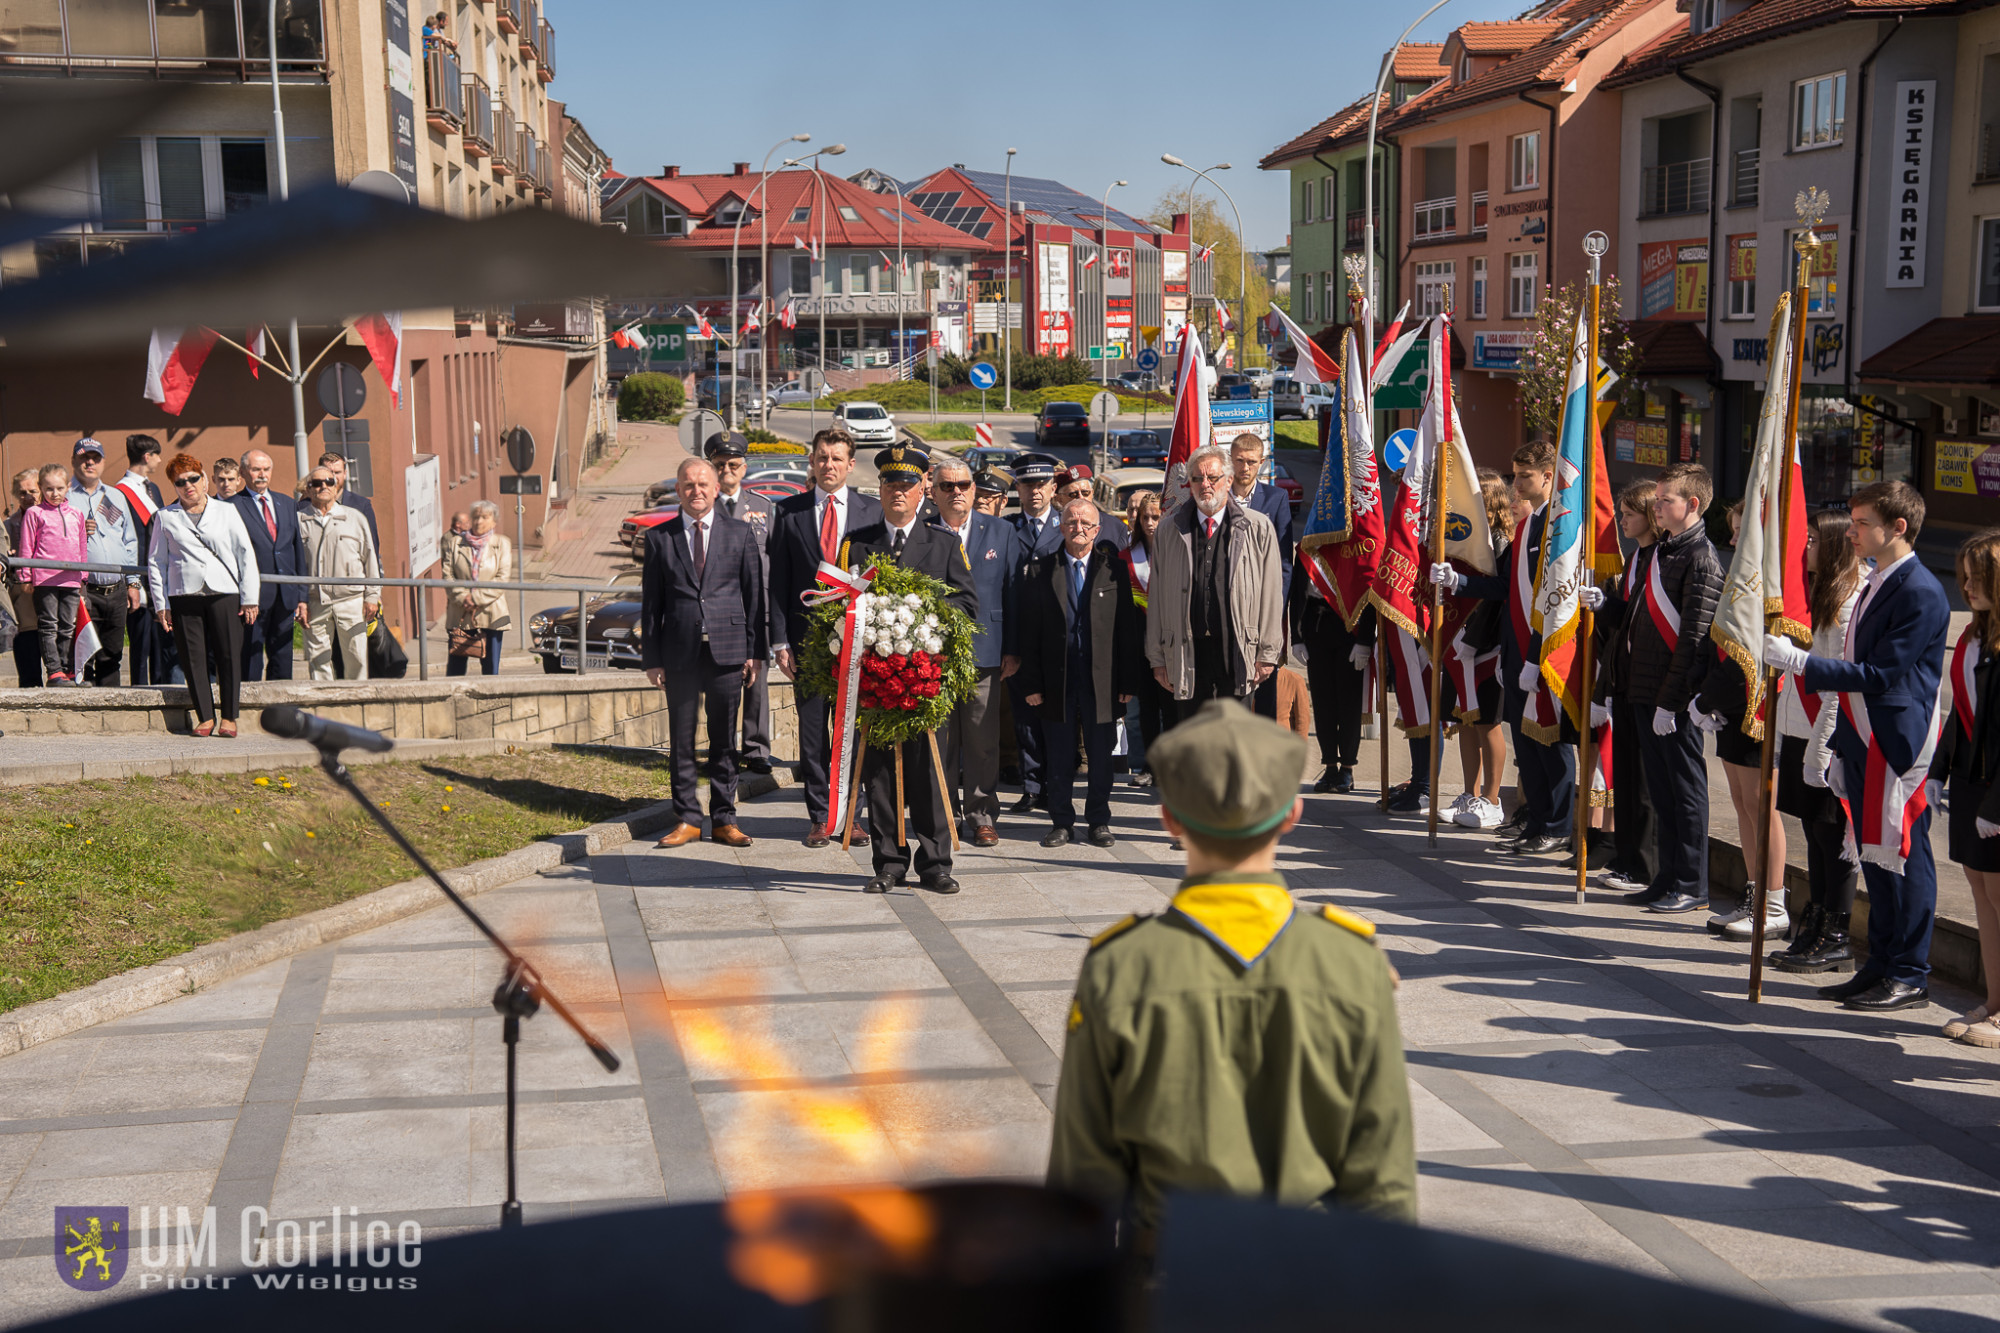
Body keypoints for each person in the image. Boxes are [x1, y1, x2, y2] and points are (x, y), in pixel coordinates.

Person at [1048, 699, 1416, 1241]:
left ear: (1169, 818)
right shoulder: (1352, 964)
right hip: (1314, 1283)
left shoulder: (1121, 967)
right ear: (1293, 814)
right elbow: (1382, 1183)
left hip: (1169, 1285)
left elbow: (1084, 1183)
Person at [1766, 481, 1949, 1012]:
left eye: (1862, 522)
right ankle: (1882, 964)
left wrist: (1800, 662)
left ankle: (1911, 973)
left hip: (1897, 746)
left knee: (1905, 862)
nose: (1851, 531)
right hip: (1862, 739)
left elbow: (1880, 672)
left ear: (1898, 527)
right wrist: (1842, 745)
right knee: (1875, 860)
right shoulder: (1874, 580)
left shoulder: (1919, 590)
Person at [841, 444, 978, 895]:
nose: (897, 491)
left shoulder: (942, 543)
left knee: (930, 771)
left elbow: (966, 604)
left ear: (924, 491)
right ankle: (889, 861)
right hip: (876, 684)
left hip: (924, 679)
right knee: (879, 774)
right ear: (878, 490)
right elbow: (837, 607)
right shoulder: (857, 544)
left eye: (906, 484)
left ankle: (936, 862)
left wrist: (921, 625)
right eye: (889, 484)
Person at [1584, 464, 1722, 908]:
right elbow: (1634, 621)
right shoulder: (1664, 552)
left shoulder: (1701, 557)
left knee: (1684, 793)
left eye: (1665, 500)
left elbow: (1694, 639)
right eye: (1658, 499)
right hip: (1641, 688)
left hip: (1672, 698)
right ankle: (1666, 877)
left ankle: (1692, 884)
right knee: (1661, 791)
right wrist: (1606, 605)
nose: (1657, 507)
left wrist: (1671, 701)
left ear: (1693, 505)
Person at [768, 428, 882, 848]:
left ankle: (851, 814)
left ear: (851, 464)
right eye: (821, 458)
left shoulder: (872, 512)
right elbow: (777, 581)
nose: (828, 465)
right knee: (814, 732)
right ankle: (820, 815)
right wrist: (779, 641)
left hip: (858, 643)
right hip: (807, 647)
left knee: (852, 731)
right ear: (811, 463)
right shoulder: (790, 513)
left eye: (836, 458)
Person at [643, 458, 763, 850]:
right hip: (679, 652)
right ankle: (688, 819)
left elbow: (753, 597)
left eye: (703, 484)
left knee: (724, 740)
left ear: (716, 489)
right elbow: (651, 605)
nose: (696, 491)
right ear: (678, 490)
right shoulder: (660, 538)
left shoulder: (740, 533)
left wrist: (754, 653)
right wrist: (652, 658)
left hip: (728, 653)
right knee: (681, 739)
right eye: (688, 485)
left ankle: (724, 819)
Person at [1018, 497, 1143, 849]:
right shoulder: (1042, 570)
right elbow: (1029, 632)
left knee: (1101, 755)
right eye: (1072, 522)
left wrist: (1128, 681)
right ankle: (1061, 821)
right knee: (1058, 754)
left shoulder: (1113, 569)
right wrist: (1032, 683)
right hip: (1056, 678)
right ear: (1061, 527)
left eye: (1086, 524)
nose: (1079, 529)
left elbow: (1126, 631)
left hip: (1102, 680)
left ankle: (1099, 820)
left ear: (1098, 530)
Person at [1768, 510, 1864, 971]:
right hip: (1802, 733)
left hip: (1824, 741)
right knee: (1814, 837)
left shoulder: (1846, 605)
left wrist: (1820, 752)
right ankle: (1819, 922)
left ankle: (1836, 934)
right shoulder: (1822, 597)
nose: (1802, 549)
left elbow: (1837, 691)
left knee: (1834, 842)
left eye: (1810, 541)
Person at [1693, 501, 1789, 938]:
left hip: (1758, 706)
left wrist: (1711, 696)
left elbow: (1752, 652)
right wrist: (1710, 699)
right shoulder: (1744, 579)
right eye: (1734, 532)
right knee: (1742, 804)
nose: (1734, 540)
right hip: (1731, 707)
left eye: (1740, 532)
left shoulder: (1775, 587)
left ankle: (1773, 902)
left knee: (1760, 806)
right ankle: (1753, 893)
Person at [1147, 444, 1283, 721]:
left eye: (1213, 478)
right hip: (1187, 651)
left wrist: (1268, 653)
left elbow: (1272, 594)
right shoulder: (1168, 529)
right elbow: (1157, 595)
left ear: (1229, 480)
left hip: (1237, 650)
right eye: (1197, 478)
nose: (1204, 485)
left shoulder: (1257, 527)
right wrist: (1157, 658)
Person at [933, 453, 1021, 847]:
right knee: (941, 739)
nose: (956, 492)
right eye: (947, 486)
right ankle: (943, 812)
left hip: (986, 653)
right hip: (933, 655)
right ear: (933, 492)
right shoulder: (923, 530)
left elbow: (1015, 591)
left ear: (974, 491)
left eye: (963, 485)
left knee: (983, 740)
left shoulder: (1000, 532)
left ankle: (982, 814)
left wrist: (1014, 647)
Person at [1933, 529, 2000, 1045]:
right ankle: (1994, 1001)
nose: (1968, 588)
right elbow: (1959, 709)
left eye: (1979, 579)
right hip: (1971, 783)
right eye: (1965, 578)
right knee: (1981, 894)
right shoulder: (1974, 636)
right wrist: (1938, 770)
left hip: (1997, 792)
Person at [145, 453, 259, 736]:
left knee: (228, 654)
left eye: (193, 478)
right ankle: (205, 716)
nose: (188, 486)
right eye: (180, 482)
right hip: (185, 594)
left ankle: (230, 717)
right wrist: (161, 603)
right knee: (192, 656)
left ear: (205, 479)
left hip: (225, 591)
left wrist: (250, 597)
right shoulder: (165, 517)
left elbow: (245, 554)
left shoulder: (227, 511)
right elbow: (156, 562)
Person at [1590, 480, 1659, 893]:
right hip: (1624, 678)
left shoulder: (1657, 557)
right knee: (1628, 779)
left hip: (1649, 683)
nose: (1622, 520)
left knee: (1647, 785)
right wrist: (1603, 604)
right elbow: (1625, 621)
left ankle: (1646, 864)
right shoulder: (1635, 558)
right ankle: (1628, 857)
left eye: (1630, 513)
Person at [1443, 470, 1513, 829]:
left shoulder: (1500, 542)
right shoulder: (1465, 540)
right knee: (1464, 721)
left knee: (1488, 723)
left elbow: (1495, 598)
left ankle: (1492, 799)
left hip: (1485, 648)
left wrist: (1473, 641)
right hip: (1460, 646)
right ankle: (1469, 795)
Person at [707, 433, 776, 777]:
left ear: (744, 467)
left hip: (757, 607)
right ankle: (722, 749)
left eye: (733, 464)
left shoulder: (763, 508)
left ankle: (757, 748)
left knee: (757, 682)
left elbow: (773, 559)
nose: (727, 471)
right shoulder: (704, 506)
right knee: (722, 684)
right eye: (720, 465)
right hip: (720, 609)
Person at [1007, 453, 1066, 815]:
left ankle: (1056, 784)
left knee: (1055, 715)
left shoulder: (1066, 526)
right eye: (1027, 484)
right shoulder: (1004, 528)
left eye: (1041, 484)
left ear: (1053, 486)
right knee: (1023, 716)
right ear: (1018, 487)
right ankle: (1031, 785)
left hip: (1056, 641)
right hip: (1018, 638)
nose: (1035, 492)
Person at [1228, 432, 1296, 720]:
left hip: (1264, 610)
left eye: (1252, 462)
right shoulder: (1218, 497)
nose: (1245, 468)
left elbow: (1284, 561)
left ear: (1262, 463)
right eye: (1240, 461)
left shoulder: (1276, 498)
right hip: (1229, 606)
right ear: (1229, 461)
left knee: (1265, 682)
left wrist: (1274, 606)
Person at [65, 438, 142, 687]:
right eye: (84, 457)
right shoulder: (64, 497)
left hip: (117, 590)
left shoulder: (116, 496)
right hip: (84, 591)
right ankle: (83, 721)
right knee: (82, 657)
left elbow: (130, 541)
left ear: (103, 462)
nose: (90, 462)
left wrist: (133, 583)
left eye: (95, 458)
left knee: (112, 656)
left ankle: (112, 714)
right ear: (74, 461)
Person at [297, 465, 382, 680]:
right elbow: (294, 565)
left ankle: (357, 703)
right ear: (308, 489)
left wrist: (372, 595)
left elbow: (370, 558)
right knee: (318, 662)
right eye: (316, 483)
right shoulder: (299, 521)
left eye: (328, 482)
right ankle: (323, 705)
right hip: (315, 600)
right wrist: (299, 601)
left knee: (357, 658)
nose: (323, 487)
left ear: (336, 486)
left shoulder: (354, 518)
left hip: (351, 599)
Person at [230, 449, 307, 681]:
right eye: (256, 469)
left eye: (266, 469)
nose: (262, 474)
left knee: (283, 658)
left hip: (285, 594)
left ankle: (281, 712)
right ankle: (248, 708)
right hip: (252, 598)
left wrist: (302, 595)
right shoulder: (232, 505)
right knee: (250, 657)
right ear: (243, 472)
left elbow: (297, 551)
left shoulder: (287, 503)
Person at [20, 463, 87, 686]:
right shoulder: (34, 513)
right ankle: (54, 671)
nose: (55, 494)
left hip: (71, 579)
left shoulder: (77, 514)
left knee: (68, 625)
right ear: (40, 488)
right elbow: (26, 546)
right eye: (49, 489)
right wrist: (25, 576)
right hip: (45, 578)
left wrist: (83, 576)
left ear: (68, 487)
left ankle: (68, 670)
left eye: (59, 488)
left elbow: (81, 547)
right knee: (49, 624)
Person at [1122, 490, 1172, 786]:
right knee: (1148, 706)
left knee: (1172, 706)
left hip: (1171, 639)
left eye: (1156, 517)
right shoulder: (1125, 555)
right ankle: (1150, 765)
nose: (1151, 523)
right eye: (1145, 518)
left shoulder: (1177, 549)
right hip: (1140, 639)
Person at [115, 434, 172, 685]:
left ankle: (161, 688)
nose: (160, 461)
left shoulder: (154, 488)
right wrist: (132, 582)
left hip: (157, 573)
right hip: (136, 574)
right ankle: (139, 688)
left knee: (161, 639)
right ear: (147, 456)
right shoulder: (118, 492)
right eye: (157, 455)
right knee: (140, 640)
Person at [443, 500, 512, 675]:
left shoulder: (502, 543)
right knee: (455, 668)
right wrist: (462, 598)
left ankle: (491, 701)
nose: (479, 522)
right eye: (475, 517)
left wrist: (475, 598)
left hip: (491, 613)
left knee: (490, 669)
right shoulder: (455, 543)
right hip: (460, 612)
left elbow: (502, 578)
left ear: (494, 521)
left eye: (484, 517)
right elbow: (447, 576)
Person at [306, 451, 381, 559]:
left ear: (345, 474)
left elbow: (371, 548)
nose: (333, 477)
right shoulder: (304, 508)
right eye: (329, 472)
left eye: (337, 472)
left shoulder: (361, 506)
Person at [7, 469, 44, 687]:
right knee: (29, 677)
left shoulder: (57, 519)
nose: (29, 497)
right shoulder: (8, 527)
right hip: (25, 611)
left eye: (33, 491)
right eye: (22, 493)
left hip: (53, 605)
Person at [1056, 464, 1129, 549]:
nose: (1081, 497)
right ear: (1060, 499)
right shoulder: (1050, 528)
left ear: (1092, 493)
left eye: (1085, 493)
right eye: (1073, 494)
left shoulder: (1116, 527)